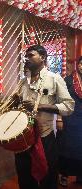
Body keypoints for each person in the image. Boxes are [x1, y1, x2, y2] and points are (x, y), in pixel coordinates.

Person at [12, 45, 74, 189]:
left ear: (43, 58)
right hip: (24, 138)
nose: (27, 59)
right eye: (25, 56)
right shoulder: (22, 82)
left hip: (45, 137)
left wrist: (38, 107)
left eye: (31, 55)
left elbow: (69, 107)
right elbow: (16, 105)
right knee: (25, 176)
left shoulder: (54, 79)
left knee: (48, 177)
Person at [58, 56, 82, 187]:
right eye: (81, 64)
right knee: (66, 148)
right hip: (70, 119)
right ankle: (64, 175)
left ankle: (80, 175)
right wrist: (60, 119)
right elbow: (61, 100)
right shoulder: (68, 80)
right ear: (77, 65)